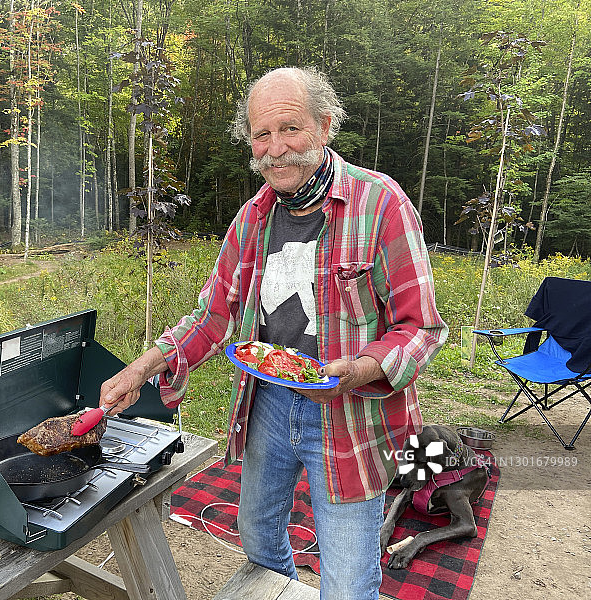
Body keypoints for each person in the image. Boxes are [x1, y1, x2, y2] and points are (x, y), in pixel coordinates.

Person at [99, 66, 448, 600]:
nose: (276, 148)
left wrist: (358, 370)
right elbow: (212, 315)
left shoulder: (381, 204)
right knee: (259, 537)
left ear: (325, 126)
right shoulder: (253, 218)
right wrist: (142, 368)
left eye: (290, 129)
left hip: (350, 411)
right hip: (268, 401)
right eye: (262, 135)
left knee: (349, 583)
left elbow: (420, 327)